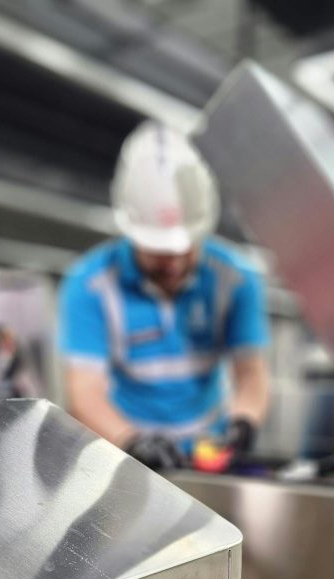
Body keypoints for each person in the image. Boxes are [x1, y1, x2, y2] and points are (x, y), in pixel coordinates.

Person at [59, 121, 271, 470]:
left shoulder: (236, 280)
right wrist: (132, 441)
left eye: (185, 249)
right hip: (126, 457)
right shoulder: (89, 285)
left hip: (208, 453)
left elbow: (250, 371)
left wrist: (245, 420)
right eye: (158, 252)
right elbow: (84, 389)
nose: (173, 263)